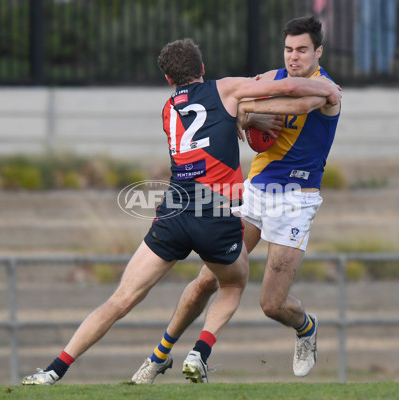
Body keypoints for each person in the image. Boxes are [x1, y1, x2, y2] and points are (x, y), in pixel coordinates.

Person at [22, 37, 341, 385]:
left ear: (168, 80)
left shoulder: (167, 109)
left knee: (121, 299)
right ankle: (199, 353)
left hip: (173, 210)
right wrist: (328, 91)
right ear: (203, 69)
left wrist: (250, 120)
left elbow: (211, 126)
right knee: (232, 283)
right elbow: (292, 91)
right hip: (215, 212)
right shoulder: (225, 89)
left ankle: (53, 370)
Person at [131, 16, 341, 384]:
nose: (294, 58)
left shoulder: (328, 89)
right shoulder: (270, 79)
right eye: (289, 50)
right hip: (254, 190)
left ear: (318, 52)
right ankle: (159, 355)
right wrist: (251, 117)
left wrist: (252, 113)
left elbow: (300, 106)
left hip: (296, 199)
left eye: (302, 50)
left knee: (271, 305)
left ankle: (306, 328)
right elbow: (236, 111)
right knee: (206, 280)